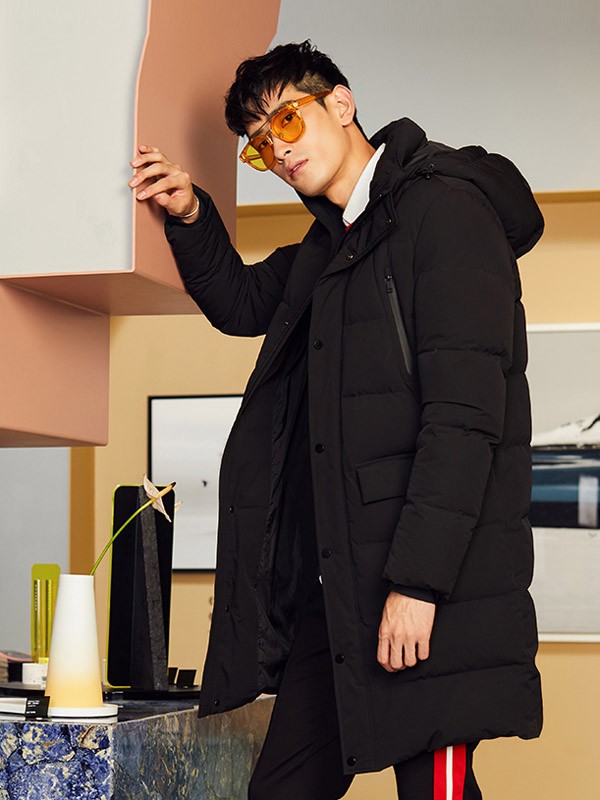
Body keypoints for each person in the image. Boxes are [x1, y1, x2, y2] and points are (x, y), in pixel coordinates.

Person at [129, 40, 543, 799]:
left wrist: (418, 586)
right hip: (344, 588)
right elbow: (243, 303)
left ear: (341, 104)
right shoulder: (332, 247)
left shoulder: (446, 212)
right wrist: (188, 212)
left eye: (287, 121)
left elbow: (464, 420)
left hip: (429, 589)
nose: (277, 151)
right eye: (259, 145)